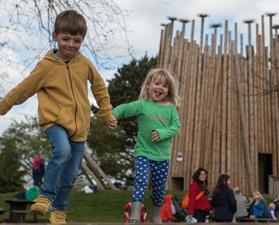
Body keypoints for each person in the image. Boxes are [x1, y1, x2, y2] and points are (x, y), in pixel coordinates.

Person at [0, 9, 117, 224]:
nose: (71, 44)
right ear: (55, 36)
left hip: (80, 128)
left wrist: (106, 112)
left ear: (82, 40)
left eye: (76, 40)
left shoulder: (85, 63)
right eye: (65, 39)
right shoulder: (46, 67)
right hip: (54, 122)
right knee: (62, 152)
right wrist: (3, 106)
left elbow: (100, 86)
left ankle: (59, 209)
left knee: (71, 174)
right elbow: (23, 89)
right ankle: (45, 197)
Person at [113, 68, 181, 223]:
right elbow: (125, 108)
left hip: (162, 157)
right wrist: (113, 115)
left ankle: (156, 216)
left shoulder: (170, 109)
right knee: (141, 181)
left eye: (164, 86)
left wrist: (163, 133)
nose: (159, 88)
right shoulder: (142, 105)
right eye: (156, 83)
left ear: (168, 89)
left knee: (158, 190)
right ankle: (135, 215)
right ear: (149, 85)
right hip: (143, 152)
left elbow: (176, 127)